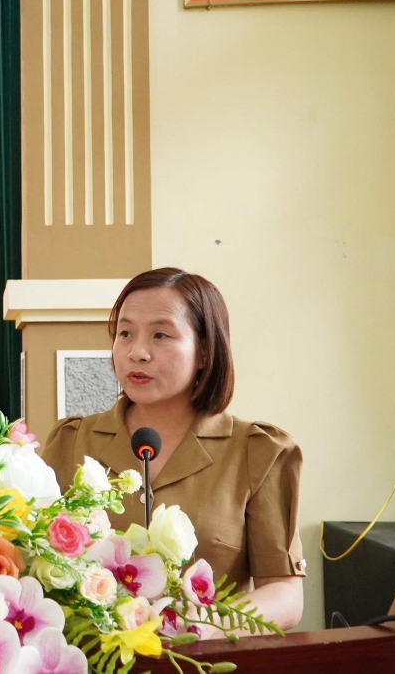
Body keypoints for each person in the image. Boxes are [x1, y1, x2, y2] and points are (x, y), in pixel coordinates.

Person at [40, 267, 305, 634]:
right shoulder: (71, 442)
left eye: (161, 335)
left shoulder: (257, 452)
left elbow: (285, 592)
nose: (137, 352)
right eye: (125, 333)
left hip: (203, 656)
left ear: (205, 352)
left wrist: (208, 626)